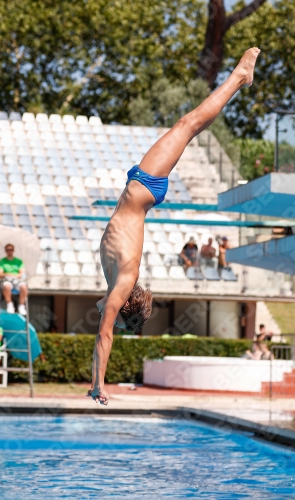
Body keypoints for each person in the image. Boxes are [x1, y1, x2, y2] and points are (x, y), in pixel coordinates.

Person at [87, 47, 261, 405]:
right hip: (147, 185)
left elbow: (106, 333)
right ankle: (239, 77)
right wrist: (99, 384)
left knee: (190, 124)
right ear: (124, 309)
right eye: (116, 318)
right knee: (190, 123)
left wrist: (94, 384)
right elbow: (104, 338)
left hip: (139, 186)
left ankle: (239, 78)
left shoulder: (114, 280)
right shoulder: (121, 284)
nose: (108, 316)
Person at [0, 244, 28, 315]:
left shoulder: (19, 261)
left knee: (24, 287)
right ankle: (10, 305)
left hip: (17, 281)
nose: (9, 251)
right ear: (5, 251)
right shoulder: (1, 261)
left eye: (11, 249)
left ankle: (21, 306)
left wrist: (8, 274)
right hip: (7, 280)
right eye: (8, 250)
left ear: (13, 250)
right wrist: (11, 275)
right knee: (6, 286)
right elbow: (0, 274)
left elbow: (21, 274)